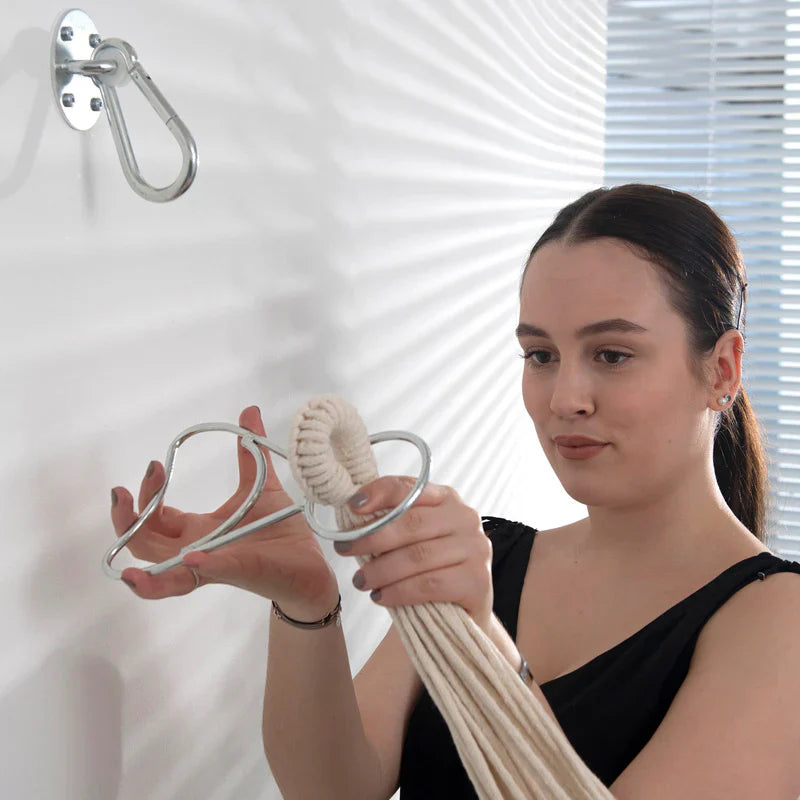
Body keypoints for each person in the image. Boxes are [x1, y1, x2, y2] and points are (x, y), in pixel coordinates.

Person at [109, 183, 800, 800]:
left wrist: (483, 641)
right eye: (541, 355)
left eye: (612, 355)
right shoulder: (492, 559)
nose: (565, 398)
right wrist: (304, 603)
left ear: (722, 369)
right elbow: (333, 789)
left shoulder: (778, 623)